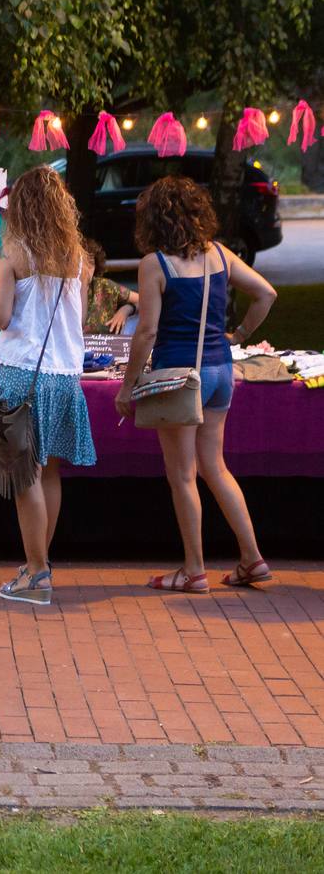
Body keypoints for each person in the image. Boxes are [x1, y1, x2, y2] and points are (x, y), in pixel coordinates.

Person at [117, 177, 278, 594]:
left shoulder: (155, 263)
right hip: (221, 370)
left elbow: (147, 331)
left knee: (183, 476)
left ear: (154, 218)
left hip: (179, 375)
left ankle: (194, 570)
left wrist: (127, 386)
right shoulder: (220, 254)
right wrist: (239, 333)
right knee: (216, 467)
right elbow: (266, 293)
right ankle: (252, 558)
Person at [0, 166, 96, 607]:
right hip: (66, 374)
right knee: (47, 469)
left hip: (22, 372)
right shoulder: (79, 257)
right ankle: (41, 563)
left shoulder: (13, 252)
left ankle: (36, 572)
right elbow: (80, 319)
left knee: (22, 471)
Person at [82, 241, 141, 335]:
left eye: (90, 263)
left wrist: (126, 309)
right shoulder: (62, 291)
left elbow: (146, 301)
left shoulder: (105, 287)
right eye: (81, 263)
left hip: (104, 347)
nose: (85, 268)